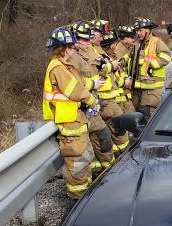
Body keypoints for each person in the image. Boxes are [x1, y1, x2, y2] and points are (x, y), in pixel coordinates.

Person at [42, 27, 97, 199]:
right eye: (72, 46)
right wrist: (92, 101)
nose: (74, 49)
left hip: (77, 121)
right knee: (77, 165)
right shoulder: (57, 68)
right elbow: (75, 90)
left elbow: (80, 84)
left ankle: (84, 196)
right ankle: (77, 201)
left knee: (84, 159)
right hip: (70, 125)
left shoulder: (66, 66)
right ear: (64, 48)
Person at [71, 20, 115, 175]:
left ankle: (108, 172)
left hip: (90, 105)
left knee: (103, 136)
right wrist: (92, 84)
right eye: (83, 39)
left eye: (88, 39)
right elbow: (72, 83)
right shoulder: (70, 57)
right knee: (84, 149)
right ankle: (85, 185)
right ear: (74, 39)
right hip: (77, 110)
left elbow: (98, 68)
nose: (87, 42)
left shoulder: (89, 51)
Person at [90, 20, 130, 155]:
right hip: (104, 100)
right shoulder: (90, 51)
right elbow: (98, 69)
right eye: (99, 34)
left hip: (109, 98)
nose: (101, 37)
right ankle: (123, 158)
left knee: (115, 133)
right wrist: (111, 66)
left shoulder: (96, 49)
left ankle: (120, 156)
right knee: (118, 132)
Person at [131, 17, 171, 119]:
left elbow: (166, 56)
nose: (138, 33)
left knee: (148, 116)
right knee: (137, 116)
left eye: (140, 30)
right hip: (138, 89)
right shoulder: (137, 44)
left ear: (148, 30)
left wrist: (152, 65)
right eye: (137, 31)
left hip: (151, 89)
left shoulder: (156, 42)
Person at [115, 24, 137, 113]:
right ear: (124, 37)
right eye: (131, 37)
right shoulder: (119, 49)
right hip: (122, 86)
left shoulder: (128, 47)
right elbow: (120, 65)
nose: (133, 39)